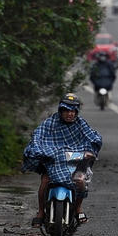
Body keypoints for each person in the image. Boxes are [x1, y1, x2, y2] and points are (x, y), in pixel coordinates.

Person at [23, 93, 103, 228]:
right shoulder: (50, 123)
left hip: (75, 160)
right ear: (60, 110)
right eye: (66, 110)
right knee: (45, 181)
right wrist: (38, 150)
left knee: (80, 181)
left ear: (76, 112)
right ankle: (41, 212)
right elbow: (37, 137)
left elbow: (94, 138)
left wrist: (90, 151)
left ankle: (78, 209)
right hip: (53, 161)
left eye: (73, 111)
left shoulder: (81, 124)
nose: (70, 114)